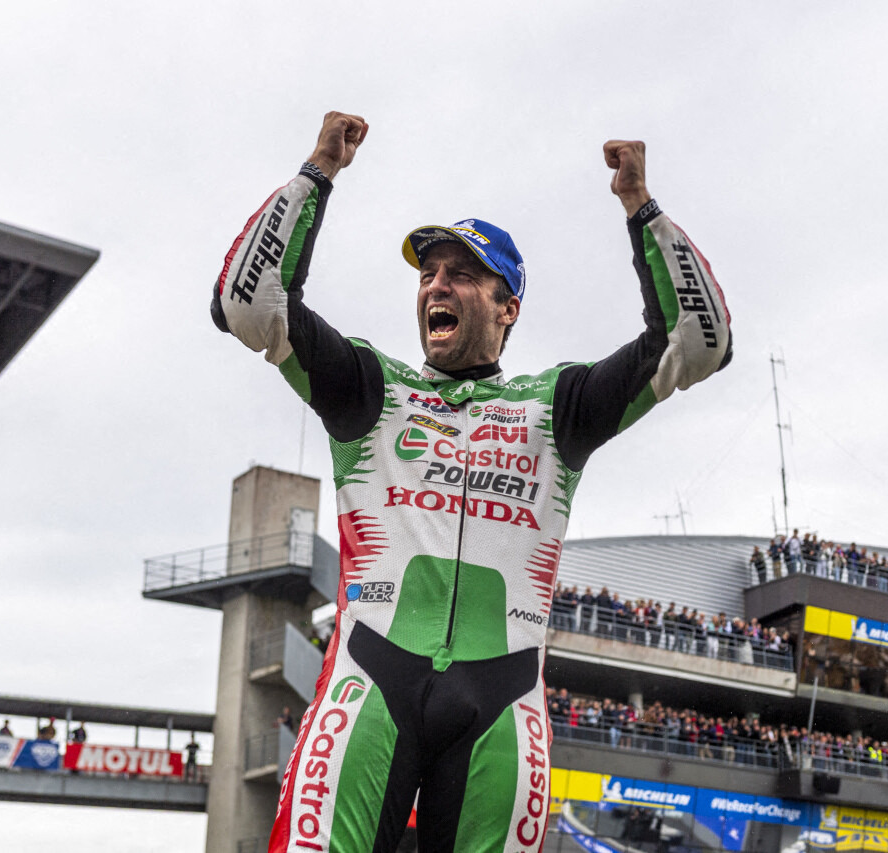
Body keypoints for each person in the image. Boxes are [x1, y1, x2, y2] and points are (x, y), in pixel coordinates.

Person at [212, 110, 732, 853]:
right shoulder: (372, 388)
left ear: (507, 305)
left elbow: (697, 341)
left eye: (460, 273)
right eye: (427, 274)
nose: (436, 286)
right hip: (368, 683)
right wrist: (317, 174)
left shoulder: (555, 407)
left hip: (503, 701)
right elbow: (246, 303)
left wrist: (640, 209)